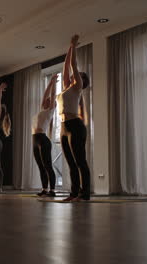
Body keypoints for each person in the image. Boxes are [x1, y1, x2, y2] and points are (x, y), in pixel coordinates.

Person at [57, 35, 91, 201]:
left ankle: (84, 195)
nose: (73, 75)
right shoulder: (65, 88)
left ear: (81, 81)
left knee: (80, 161)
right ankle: (73, 193)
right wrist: (69, 49)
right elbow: (66, 67)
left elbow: (72, 65)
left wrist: (73, 46)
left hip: (75, 126)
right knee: (71, 163)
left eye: (79, 75)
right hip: (64, 127)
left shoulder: (77, 87)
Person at [32, 74, 58, 197]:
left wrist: (54, 83)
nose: (47, 100)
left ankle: (52, 190)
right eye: (46, 100)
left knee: (47, 165)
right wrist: (50, 83)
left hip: (43, 139)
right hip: (34, 140)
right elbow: (45, 95)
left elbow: (52, 95)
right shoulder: (42, 110)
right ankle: (44, 189)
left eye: (50, 100)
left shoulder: (50, 111)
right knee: (41, 166)